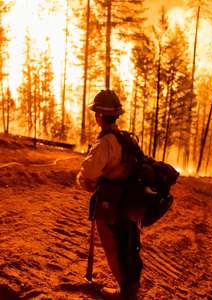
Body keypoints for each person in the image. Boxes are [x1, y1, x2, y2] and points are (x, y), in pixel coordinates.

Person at [77, 90, 143, 300]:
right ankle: (130, 288)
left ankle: (125, 293)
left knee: (113, 247)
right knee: (128, 245)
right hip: (130, 202)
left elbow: (89, 172)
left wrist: (84, 181)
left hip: (111, 203)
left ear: (98, 116)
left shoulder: (105, 142)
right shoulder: (127, 139)